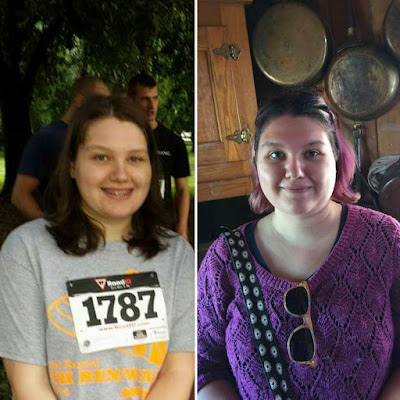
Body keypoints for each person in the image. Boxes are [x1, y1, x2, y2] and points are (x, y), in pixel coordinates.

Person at [197, 90, 400, 400]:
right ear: (256, 163)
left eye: (312, 153)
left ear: (336, 157)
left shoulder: (385, 239)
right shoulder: (223, 259)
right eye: (276, 154)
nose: (294, 171)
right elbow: (204, 365)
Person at [0, 95, 194, 399]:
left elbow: (178, 373)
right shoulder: (26, 252)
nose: (120, 174)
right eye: (101, 157)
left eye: (135, 158)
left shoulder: (178, 257)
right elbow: (28, 385)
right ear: (73, 165)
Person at [11, 76, 110, 220]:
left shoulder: (98, 138)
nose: (106, 107)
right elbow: (19, 196)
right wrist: (49, 228)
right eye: (100, 101)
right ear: (79, 101)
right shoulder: (46, 138)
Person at [127, 73, 190, 239]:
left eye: (155, 98)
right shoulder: (122, 137)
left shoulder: (173, 141)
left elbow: (182, 189)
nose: (152, 106)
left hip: (163, 223)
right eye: (145, 99)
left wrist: (182, 227)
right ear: (131, 100)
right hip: (128, 222)